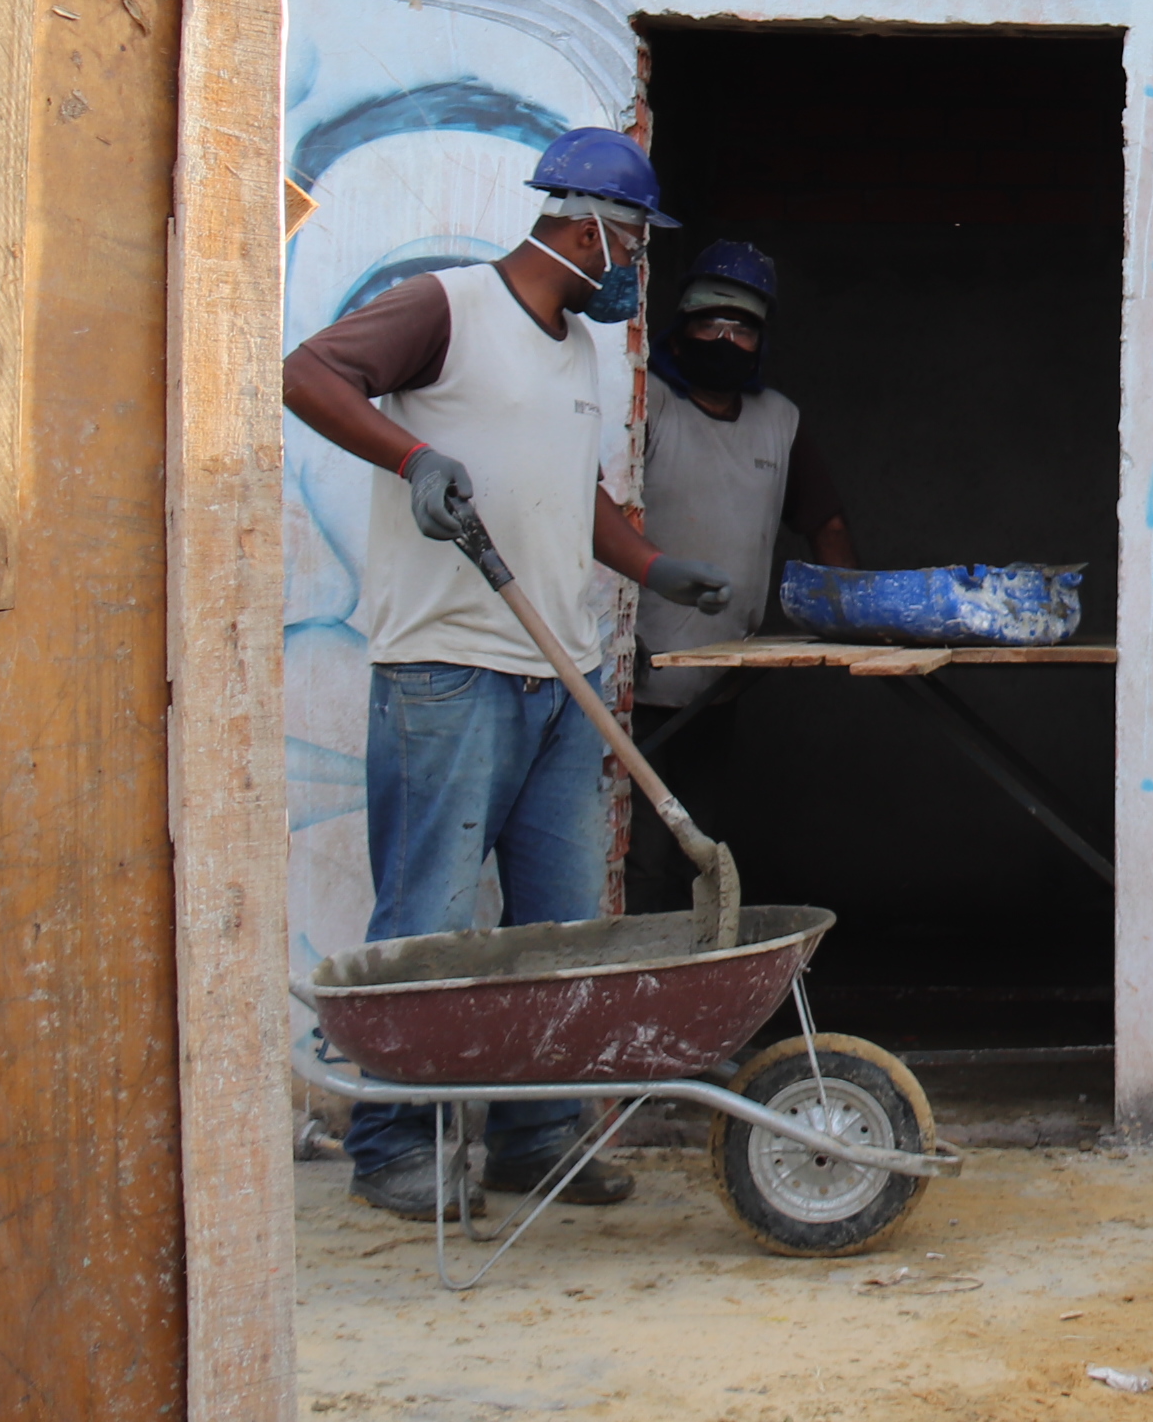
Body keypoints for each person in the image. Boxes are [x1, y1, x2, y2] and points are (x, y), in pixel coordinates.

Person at [280, 126, 737, 1221]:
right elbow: (307, 374)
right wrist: (413, 456)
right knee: (432, 922)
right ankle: (394, 1145)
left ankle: (536, 1137)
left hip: (559, 677)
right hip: (449, 673)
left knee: (560, 927)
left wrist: (651, 564)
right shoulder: (447, 307)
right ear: (586, 233)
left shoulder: (576, 350)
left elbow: (567, 491)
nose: (636, 271)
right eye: (634, 247)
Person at [624, 242, 856, 902]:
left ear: (762, 340)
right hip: (635, 676)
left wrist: (855, 620)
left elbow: (827, 526)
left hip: (721, 682)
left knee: (699, 850)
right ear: (681, 326)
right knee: (639, 856)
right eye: (711, 322)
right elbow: (594, 511)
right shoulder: (649, 405)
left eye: (742, 328)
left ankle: (694, 965)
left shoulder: (778, 421)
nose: (725, 339)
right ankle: (641, 967)